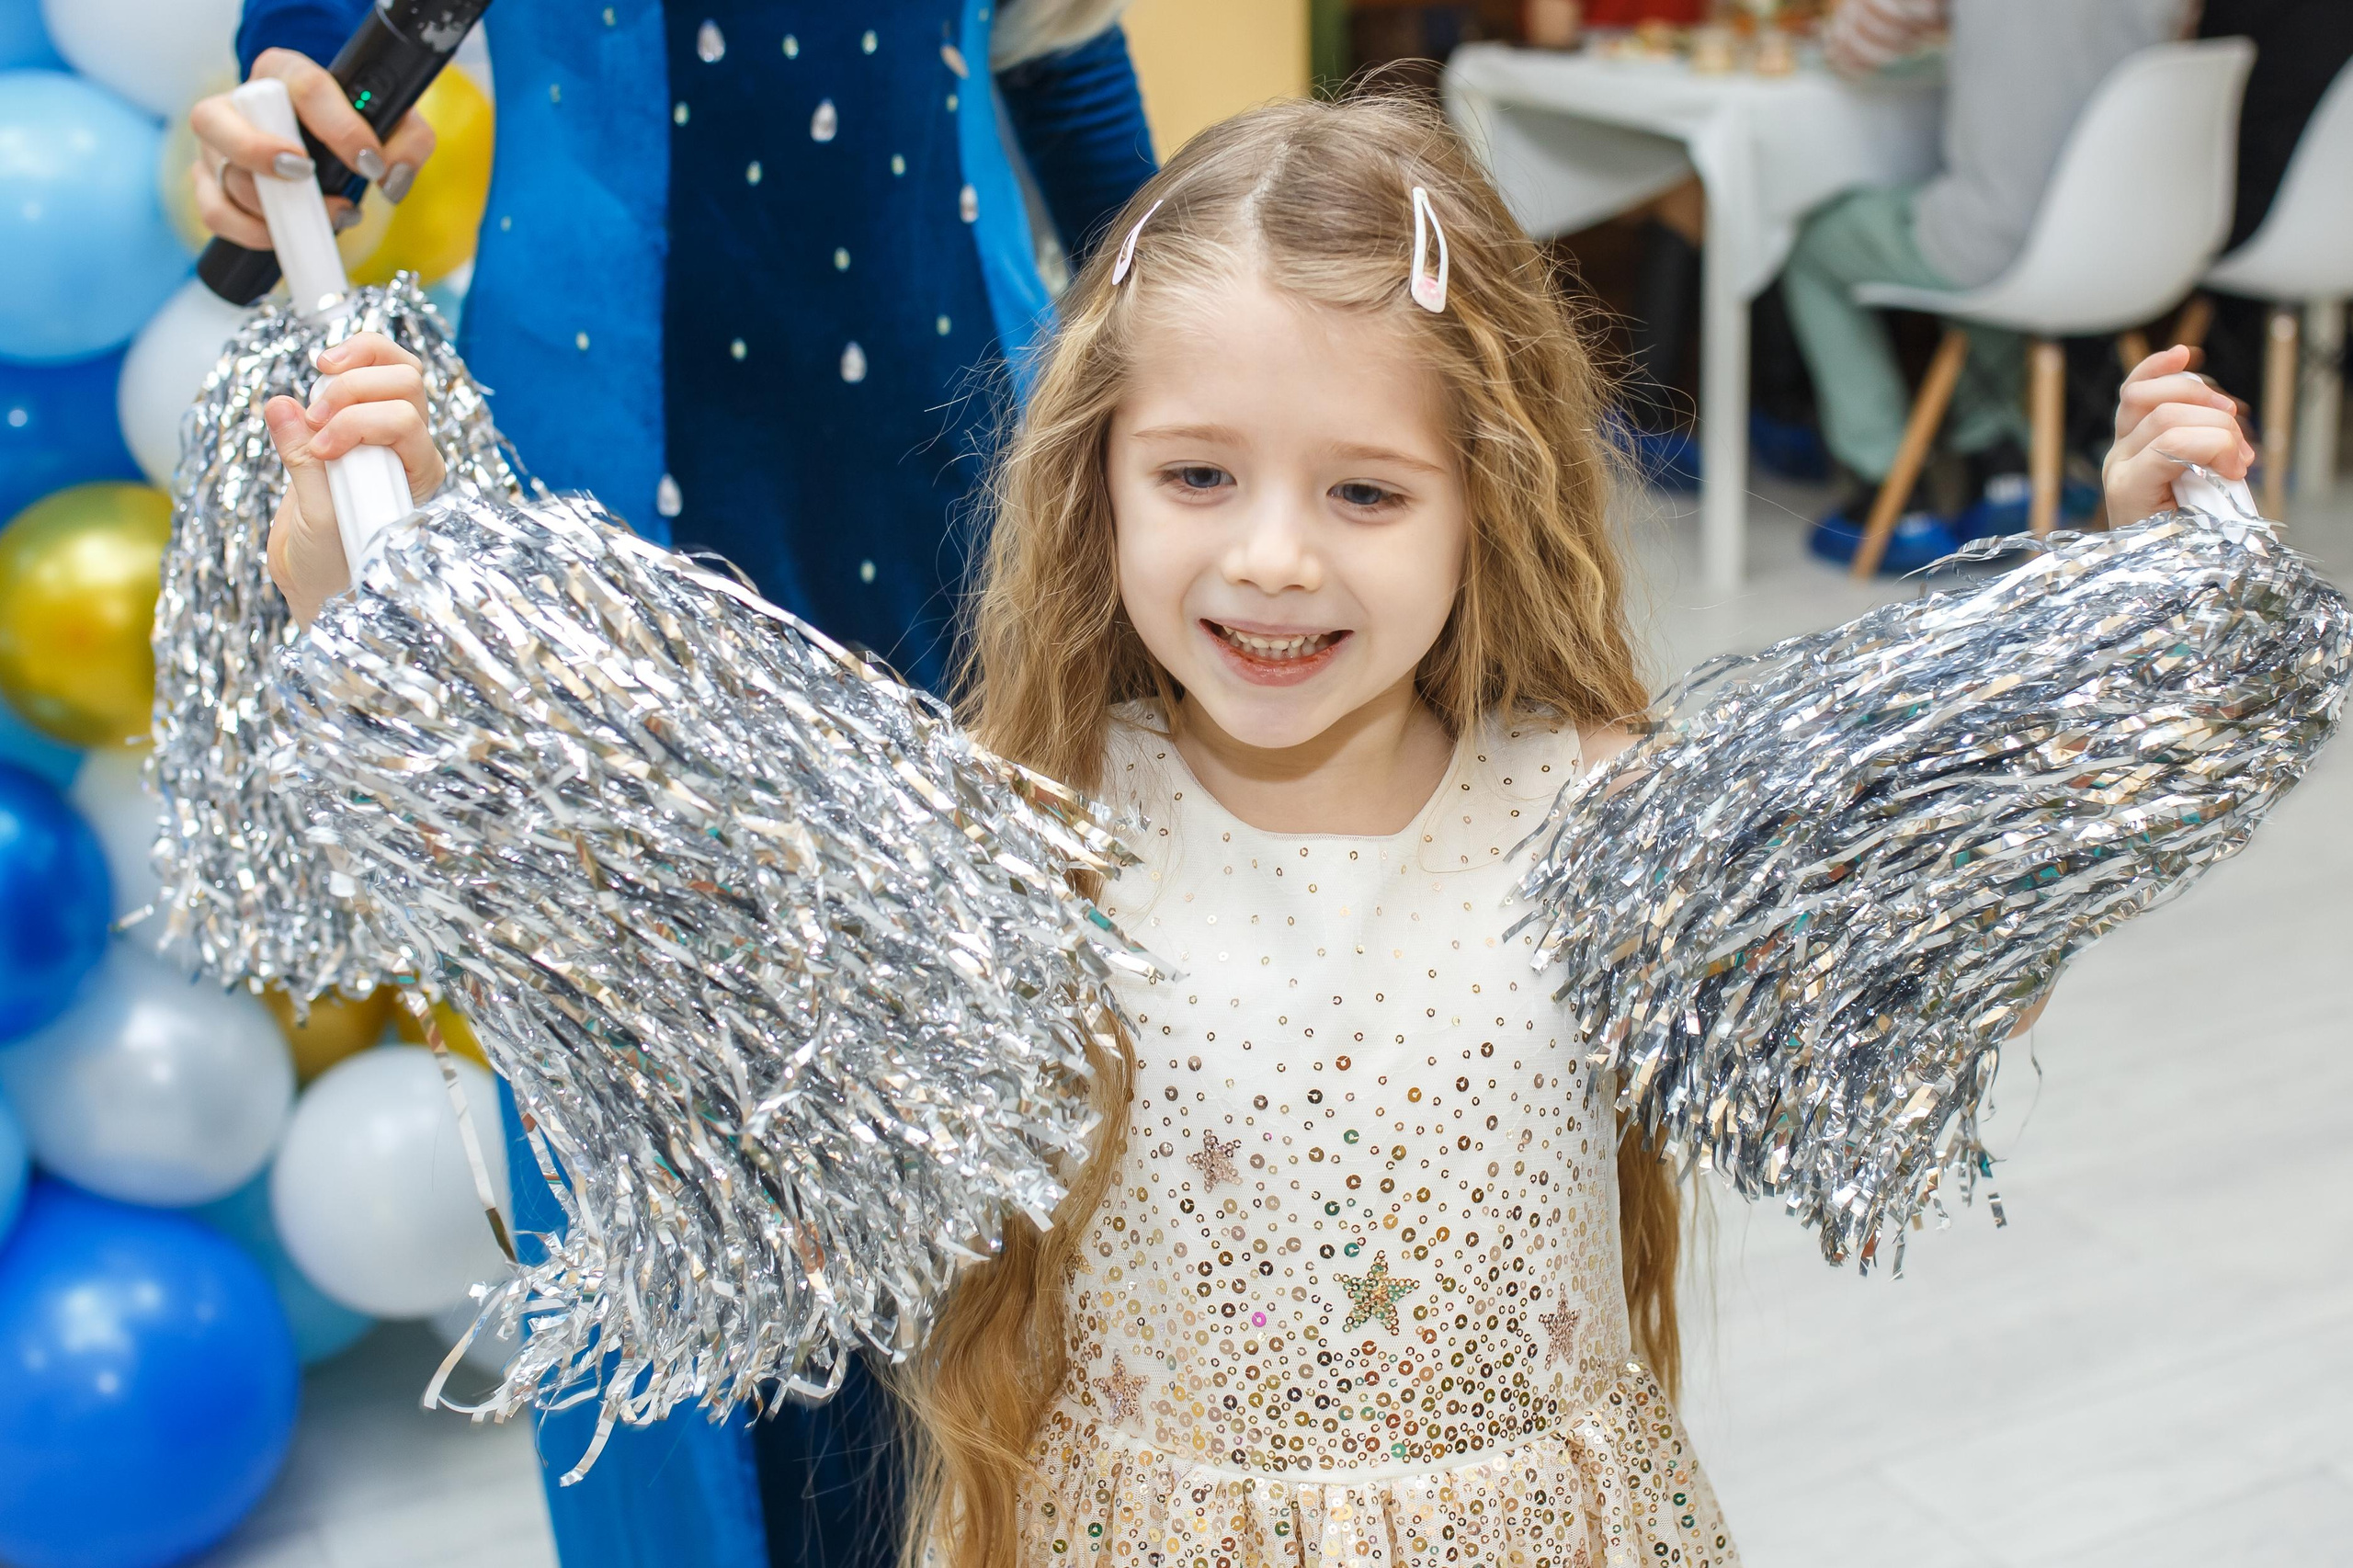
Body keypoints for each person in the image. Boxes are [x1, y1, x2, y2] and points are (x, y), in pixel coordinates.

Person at [256, 93, 2235, 1568]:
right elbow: (607, 892)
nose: (1272, 557)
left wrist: (2126, 605)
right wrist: (393, 589)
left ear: (1487, 502)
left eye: (1365, 493)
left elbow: (1913, 928)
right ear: (1095, 479)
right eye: (1197, 472)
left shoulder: (1603, 816)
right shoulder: (1006, 854)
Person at [195, 6, 1152, 1568]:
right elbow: (315, 73)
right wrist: (278, 135)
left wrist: (1212, 381)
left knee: (1006, 1125)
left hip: (967, 483)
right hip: (615, 513)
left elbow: (1061, 63)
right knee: (684, 1171)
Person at [1785, 0, 2184, 570]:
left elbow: (1854, 47)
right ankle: (2001, 462)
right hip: (2137, 242)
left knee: (1815, 243)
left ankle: (1889, 490)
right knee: (1969, 217)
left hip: (2004, 238)